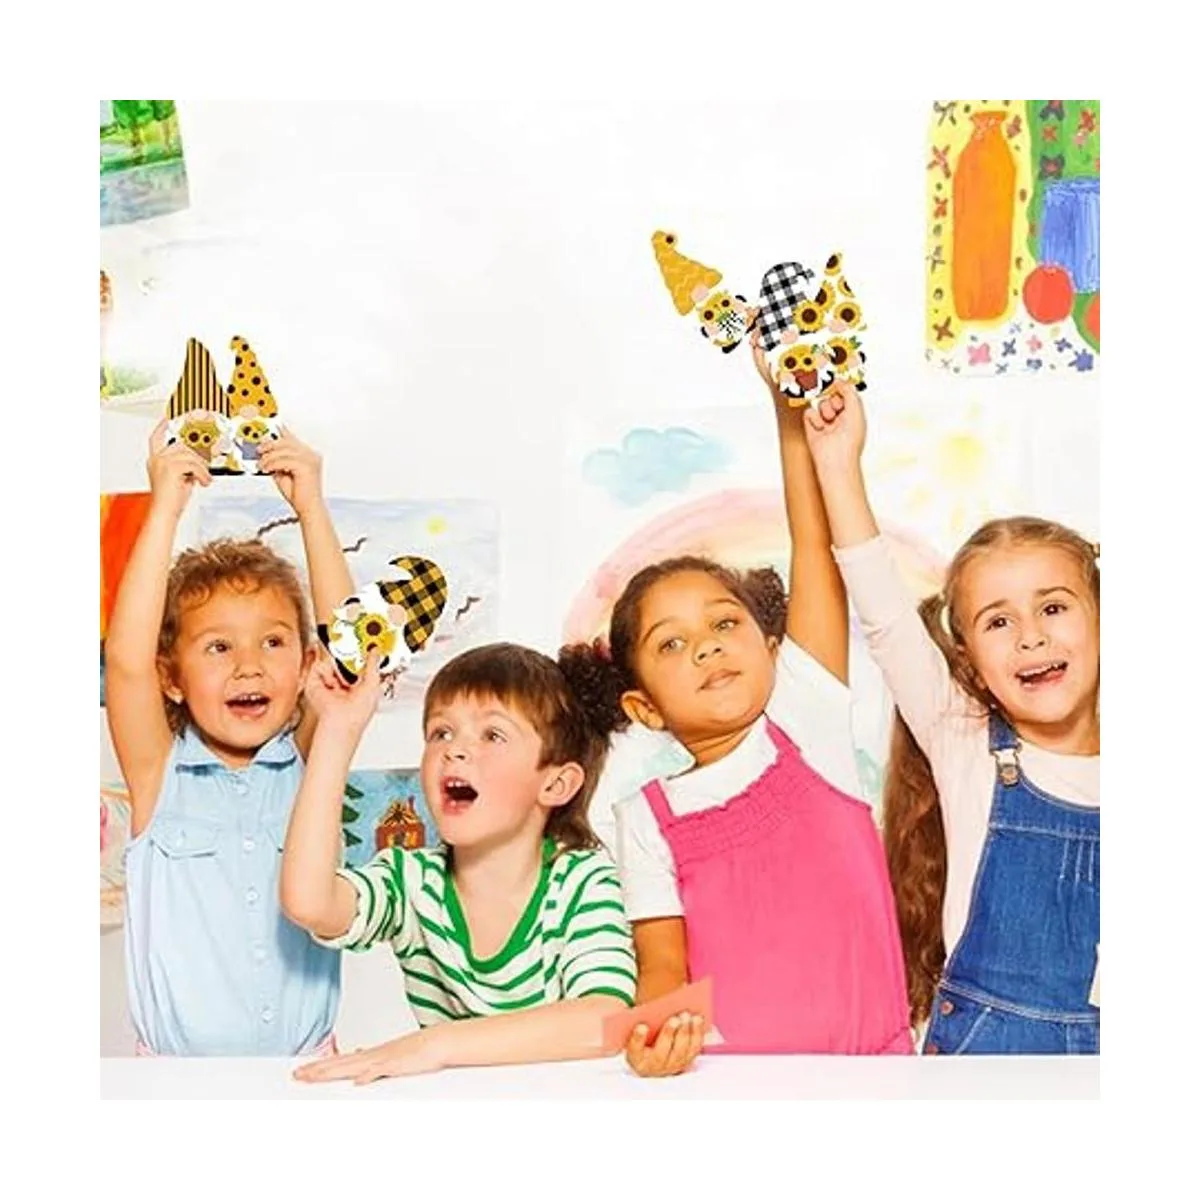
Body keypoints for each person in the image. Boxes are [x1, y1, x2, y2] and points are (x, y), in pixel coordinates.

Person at [559, 338, 911, 1075]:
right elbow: (662, 965)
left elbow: (812, 545)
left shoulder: (807, 719)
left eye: (724, 623)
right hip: (730, 1088)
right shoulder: (645, 818)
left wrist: (787, 411)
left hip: (874, 1075)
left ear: (771, 645)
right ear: (644, 707)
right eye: (672, 643)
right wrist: (656, 1035)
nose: (708, 648)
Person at [805, 382, 1100, 1053]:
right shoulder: (962, 739)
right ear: (967, 658)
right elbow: (882, 612)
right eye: (998, 621)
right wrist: (837, 462)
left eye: (1054, 607)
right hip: (982, 1065)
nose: (1031, 636)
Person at [282, 642, 637, 1085]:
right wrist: (337, 730)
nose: (454, 750)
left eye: (492, 735)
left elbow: (604, 1019)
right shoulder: (411, 881)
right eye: (441, 733)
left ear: (556, 784)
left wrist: (435, 1045)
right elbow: (310, 903)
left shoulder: (582, 879)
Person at [106, 422, 353, 1055]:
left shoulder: (313, 760)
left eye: (272, 642)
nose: (249, 666)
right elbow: (127, 663)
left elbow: (351, 650)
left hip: (305, 1074)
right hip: (174, 1084)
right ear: (172, 678)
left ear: (306, 664)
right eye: (219, 647)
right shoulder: (158, 773)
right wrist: (165, 505)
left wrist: (311, 505)